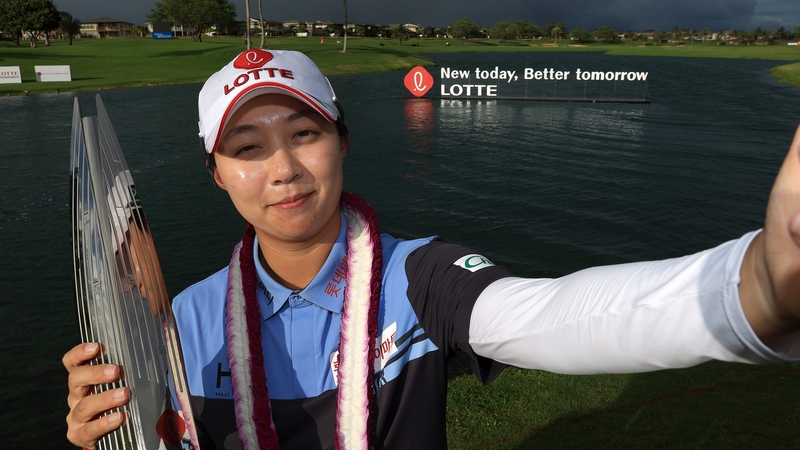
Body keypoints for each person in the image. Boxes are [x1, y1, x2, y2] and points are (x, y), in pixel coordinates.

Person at [63, 49, 800, 449]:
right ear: (217, 174)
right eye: (248, 148)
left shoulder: (420, 277)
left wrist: (757, 290)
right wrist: (107, 432)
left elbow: (559, 314)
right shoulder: (182, 325)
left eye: (306, 133)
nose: (283, 169)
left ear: (343, 143)